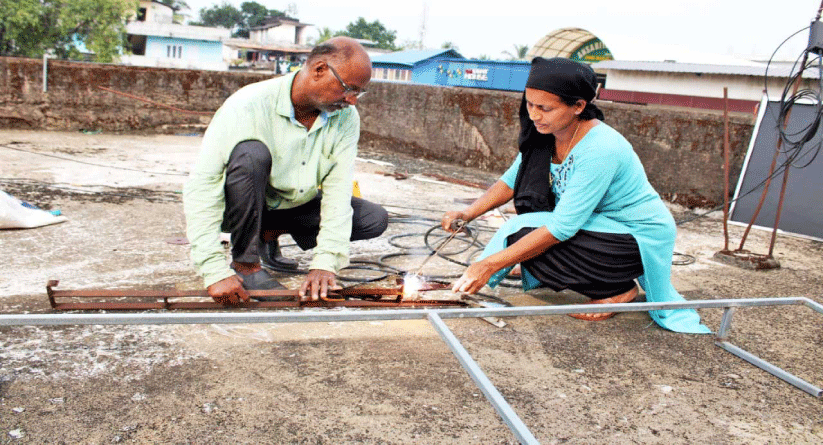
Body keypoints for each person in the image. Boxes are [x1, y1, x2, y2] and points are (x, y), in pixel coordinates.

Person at [441, 57, 709, 333]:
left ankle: (617, 289)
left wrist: (489, 264)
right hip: (601, 229)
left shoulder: (600, 149)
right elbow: (511, 181)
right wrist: (468, 213)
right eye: (530, 105)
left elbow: (563, 227)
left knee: (525, 242)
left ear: (579, 106)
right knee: (524, 244)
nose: (534, 115)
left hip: (636, 238)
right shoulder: (546, 134)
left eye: (545, 108)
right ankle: (593, 275)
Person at [183, 37, 388, 304]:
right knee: (251, 155)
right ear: (319, 70)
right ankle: (245, 264)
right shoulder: (248, 104)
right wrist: (212, 270)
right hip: (240, 206)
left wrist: (325, 263)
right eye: (348, 88)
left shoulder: (345, 118)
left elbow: (338, 191)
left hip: (293, 203)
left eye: (358, 92)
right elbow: (203, 185)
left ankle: (268, 234)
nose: (352, 101)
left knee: (373, 218)